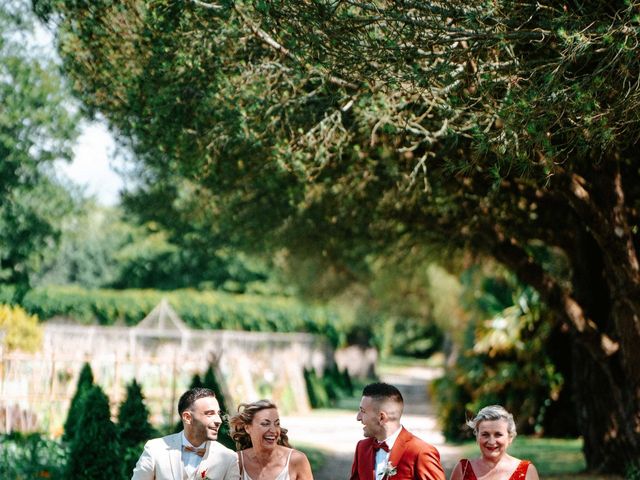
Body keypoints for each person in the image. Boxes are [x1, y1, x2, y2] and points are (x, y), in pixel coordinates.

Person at [132, 387, 240, 480]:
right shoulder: (155, 449)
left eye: (218, 414)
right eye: (209, 414)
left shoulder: (228, 458)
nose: (218, 420)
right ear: (187, 417)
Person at [350, 382, 445, 480]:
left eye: (363, 411)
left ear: (381, 417)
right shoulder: (362, 448)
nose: (358, 417)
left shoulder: (421, 452)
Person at [229, 399, 313, 480]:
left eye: (277, 424)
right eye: (265, 424)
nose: (273, 430)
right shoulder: (237, 462)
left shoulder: (297, 460)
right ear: (247, 428)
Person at [449, 405, 540, 480]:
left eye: (498, 434)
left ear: (510, 437)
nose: (492, 442)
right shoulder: (463, 470)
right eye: (485, 434)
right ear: (477, 437)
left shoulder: (527, 471)